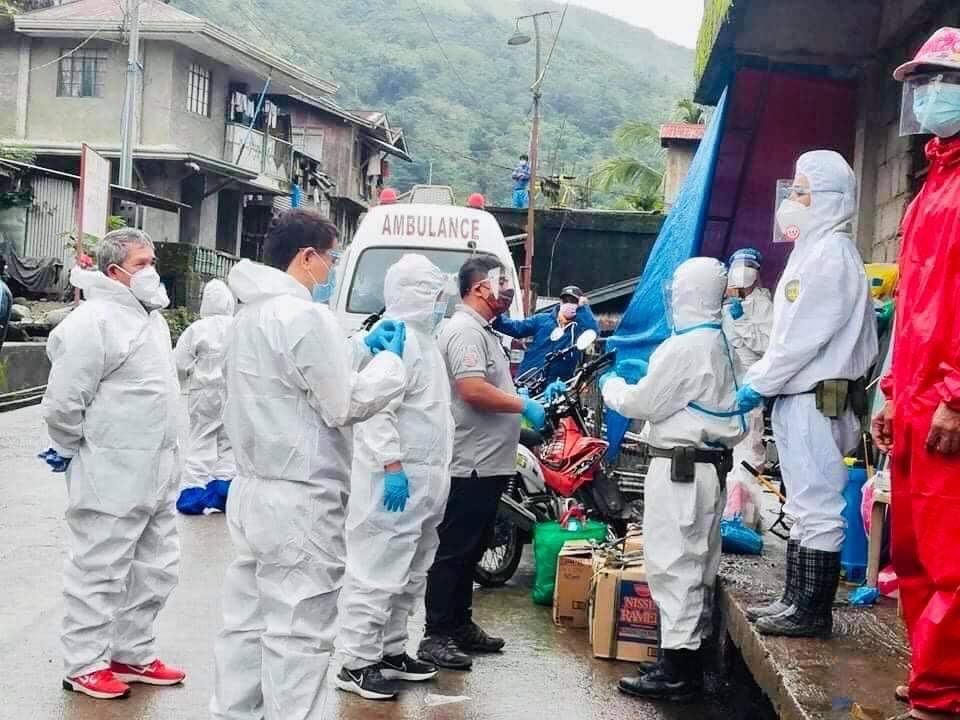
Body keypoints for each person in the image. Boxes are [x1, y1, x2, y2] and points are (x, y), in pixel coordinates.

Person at [210, 209, 408, 720]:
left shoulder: (248, 315)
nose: (333, 269)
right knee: (299, 631)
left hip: (253, 490)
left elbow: (295, 377)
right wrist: (390, 368)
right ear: (307, 257)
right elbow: (341, 405)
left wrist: (360, 347)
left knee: (246, 624)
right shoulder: (305, 316)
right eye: (332, 258)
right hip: (300, 496)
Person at [737, 150, 878, 638]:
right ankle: (795, 599)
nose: (792, 200)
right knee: (800, 501)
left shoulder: (832, 255)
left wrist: (757, 383)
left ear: (830, 200)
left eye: (802, 192)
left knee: (817, 500)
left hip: (819, 396)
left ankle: (812, 612)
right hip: (800, 396)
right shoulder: (811, 252)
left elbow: (802, 338)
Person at [41, 228, 185, 700]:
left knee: (155, 566)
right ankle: (84, 664)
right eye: (142, 264)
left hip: (157, 468)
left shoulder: (151, 319)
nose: (152, 271)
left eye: (152, 262)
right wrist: (65, 444)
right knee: (99, 567)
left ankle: (132, 653)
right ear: (114, 271)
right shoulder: (93, 321)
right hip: (110, 468)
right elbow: (65, 399)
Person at [602, 257, 746, 701]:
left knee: (673, 564)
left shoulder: (688, 347)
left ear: (688, 293)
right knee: (695, 564)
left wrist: (613, 387)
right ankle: (684, 658)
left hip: (680, 470)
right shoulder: (718, 340)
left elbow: (644, 402)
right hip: (703, 468)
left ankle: (677, 672)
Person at [872, 29, 960, 719]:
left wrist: (954, 396)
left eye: (940, 79)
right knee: (911, 550)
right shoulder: (930, 186)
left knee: (949, 552)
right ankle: (931, 672)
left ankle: (943, 690)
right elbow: (913, 307)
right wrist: (893, 389)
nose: (927, 94)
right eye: (919, 82)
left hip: (947, 401)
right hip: (914, 399)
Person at [336, 254, 455, 701]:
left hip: (425, 480)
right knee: (378, 570)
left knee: (411, 571)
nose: (441, 301)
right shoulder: (399, 340)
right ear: (412, 293)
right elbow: (376, 412)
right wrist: (391, 466)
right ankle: (356, 661)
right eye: (433, 292)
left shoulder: (427, 341)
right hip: (396, 478)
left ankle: (390, 650)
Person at [418, 255, 546, 670]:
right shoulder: (464, 331)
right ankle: (436, 634)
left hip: (489, 462)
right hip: (468, 462)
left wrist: (519, 414)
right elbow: (472, 389)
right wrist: (521, 404)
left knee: (473, 546)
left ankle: (460, 625)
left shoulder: (483, 331)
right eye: (501, 283)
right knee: (454, 550)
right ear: (478, 287)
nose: (507, 290)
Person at [173, 279, 236, 515]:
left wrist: (185, 378)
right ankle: (223, 487)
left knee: (201, 438)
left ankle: (192, 492)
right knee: (229, 440)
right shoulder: (238, 325)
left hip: (204, 392)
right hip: (232, 391)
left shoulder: (197, 329)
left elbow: (179, 363)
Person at [721, 248, 774, 526]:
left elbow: (766, 346)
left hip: (750, 386)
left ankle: (745, 518)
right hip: (726, 386)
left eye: (749, 265)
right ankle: (726, 512)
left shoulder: (764, 305)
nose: (742, 270)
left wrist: (742, 322)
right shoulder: (727, 304)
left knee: (749, 449)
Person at [494, 285, 600, 382]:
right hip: (528, 379)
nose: (569, 304)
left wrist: (584, 307)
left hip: (556, 386)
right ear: (560, 301)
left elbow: (594, 332)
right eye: (565, 300)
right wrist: (493, 313)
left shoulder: (580, 328)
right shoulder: (541, 319)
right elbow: (516, 328)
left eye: (573, 301)